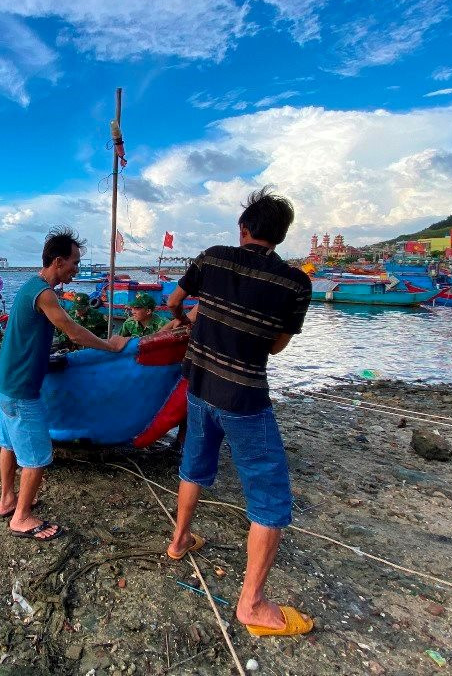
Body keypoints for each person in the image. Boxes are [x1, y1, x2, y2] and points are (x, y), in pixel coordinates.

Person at [165, 186, 314, 638]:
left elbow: (172, 303)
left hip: (200, 387)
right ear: (280, 237)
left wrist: (197, 322)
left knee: (194, 465)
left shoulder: (212, 259)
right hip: (245, 399)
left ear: (243, 229)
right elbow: (276, 345)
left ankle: (178, 542)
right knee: (269, 500)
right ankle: (250, 604)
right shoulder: (295, 284)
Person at [0, 227, 129, 540]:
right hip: (22, 390)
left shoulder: (30, 286)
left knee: (8, 443)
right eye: (75, 262)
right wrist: (110, 346)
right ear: (58, 261)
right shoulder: (44, 293)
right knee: (38, 457)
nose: (77, 269)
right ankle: (22, 518)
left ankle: (7, 500)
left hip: (6, 383)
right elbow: (71, 330)